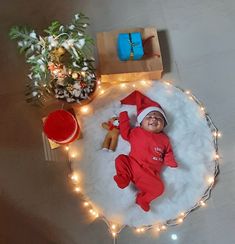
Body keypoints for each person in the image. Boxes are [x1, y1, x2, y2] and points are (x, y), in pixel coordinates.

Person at [114, 90, 178, 212]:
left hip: (149, 174)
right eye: (148, 117)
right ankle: (124, 177)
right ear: (141, 122)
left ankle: (143, 199)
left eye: (159, 118)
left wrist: (170, 161)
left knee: (159, 189)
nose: (153, 119)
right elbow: (125, 133)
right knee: (120, 159)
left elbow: (168, 152)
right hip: (131, 165)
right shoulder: (136, 132)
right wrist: (123, 118)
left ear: (163, 125)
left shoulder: (164, 139)